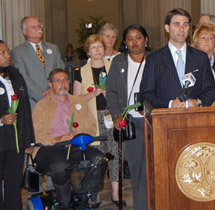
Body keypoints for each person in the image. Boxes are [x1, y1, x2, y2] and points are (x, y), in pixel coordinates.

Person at [32, 69, 103, 208]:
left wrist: (78, 136)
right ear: (51, 85)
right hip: (51, 147)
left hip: (76, 145)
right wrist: (57, 138)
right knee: (61, 167)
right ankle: (65, 204)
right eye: (58, 81)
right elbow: (36, 134)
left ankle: (85, 199)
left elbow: (91, 127)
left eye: (65, 80)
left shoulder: (79, 103)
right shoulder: (41, 106)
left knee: (98, 159)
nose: (62, 83)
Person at [73, 34, 125, 207]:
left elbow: (123, 91)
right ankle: (95, 194)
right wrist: (93, 94)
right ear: (88, 51)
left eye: (100, 47)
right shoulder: (80, 72)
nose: (97, 50)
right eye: (93, 47)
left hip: (113, 116)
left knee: (115, 153)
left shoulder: (115, 67)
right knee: (97, 157)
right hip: (93, 119)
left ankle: (116, 194)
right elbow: (76, 101)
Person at [106, 24, 151, 210]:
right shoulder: (119, 62)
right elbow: (111, 91)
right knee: (138, 171)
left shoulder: (156, 59)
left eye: (138, 37)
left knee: (157, 168)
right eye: (130, 38)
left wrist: (151, 106)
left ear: (145, 39)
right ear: (124, 42)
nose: (134, 42)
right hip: (131, 123)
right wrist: (117, 114)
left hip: (153, 121)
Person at [139, 8, 215, 109]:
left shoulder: (201, 57)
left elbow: (210, 91)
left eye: (185, 24)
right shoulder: (154, 59)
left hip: (195, 119)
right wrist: (170, 104)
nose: (181, 29)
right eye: (176, 24)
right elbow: (145, 95)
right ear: (167, 28)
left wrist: (197, 102)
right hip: (165, 119)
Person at [0, 40, 34, 210]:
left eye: (7, 52)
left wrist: (28, 140)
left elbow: (25, 109)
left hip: (15, 141)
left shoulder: (15, 76)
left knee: (14, 184)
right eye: (2, 53)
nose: (7, 56)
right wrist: (1, 120)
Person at [11, 16, 65, 110]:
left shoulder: (53, 48)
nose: (38, 29)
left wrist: (52, 90)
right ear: (24, 31)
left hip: (57, 98)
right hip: (34, 103)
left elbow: (61, 70)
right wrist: (42, 96)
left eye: (39, 26)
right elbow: (23, 78)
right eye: (33, 27)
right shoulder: (18, 52)